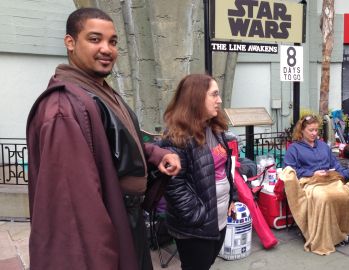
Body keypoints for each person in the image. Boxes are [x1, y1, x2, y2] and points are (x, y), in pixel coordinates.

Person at [26, 8, 180, 270]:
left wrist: (156, 154)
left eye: (113, 41)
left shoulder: (97, 91)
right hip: (111, 227)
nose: (107, 49)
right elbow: (74, 213)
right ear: (70, 43)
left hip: (128, 220)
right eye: (95, 39)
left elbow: (114, 145)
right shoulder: (64, 107)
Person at [160, 74, 237, 270]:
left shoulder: (214, 129)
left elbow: (225, 168)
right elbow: (173, 186)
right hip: (197, 226)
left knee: (207, 263)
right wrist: (199, 216)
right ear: (196, 98)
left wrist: (232, 198)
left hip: (218, 218)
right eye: (214, 95)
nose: (219, 100)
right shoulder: (177, 137)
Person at [282, 115, 349, 255]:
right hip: (309, 182)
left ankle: (343, 231)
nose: (314, 133)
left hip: (329, 180)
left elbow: (335, 166)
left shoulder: (323, 146)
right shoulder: (294, 149)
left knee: (348, 192)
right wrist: (312, 173)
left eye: (316, 130)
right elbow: (289, 169)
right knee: (323, 197)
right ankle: (329, 237)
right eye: (311, 130)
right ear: (302, 130)